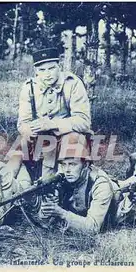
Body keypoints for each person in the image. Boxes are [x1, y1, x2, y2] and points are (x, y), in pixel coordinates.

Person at [16, 47, 92, 179]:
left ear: (59, 66)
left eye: (51, 68)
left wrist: (52, 124)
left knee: (73, 140)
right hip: (41, 138)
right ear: (36, 71)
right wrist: (28, 130)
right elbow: (23, 122)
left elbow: (84, 122)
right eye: (42, 70)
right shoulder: (29, 87)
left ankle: (71, 183)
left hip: (68, 135)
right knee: (18, 150)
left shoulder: (72, 83)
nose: (47, 74)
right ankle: (17, 185)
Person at [31, 132, 116, 235]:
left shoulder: (100, 184)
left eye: (72, 164)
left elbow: (93, 228)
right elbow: (46, 222)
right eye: (63, 164)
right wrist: (47, 208)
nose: (67, 170)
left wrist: (61, 213)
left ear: (85, 164)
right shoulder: (62, 177)